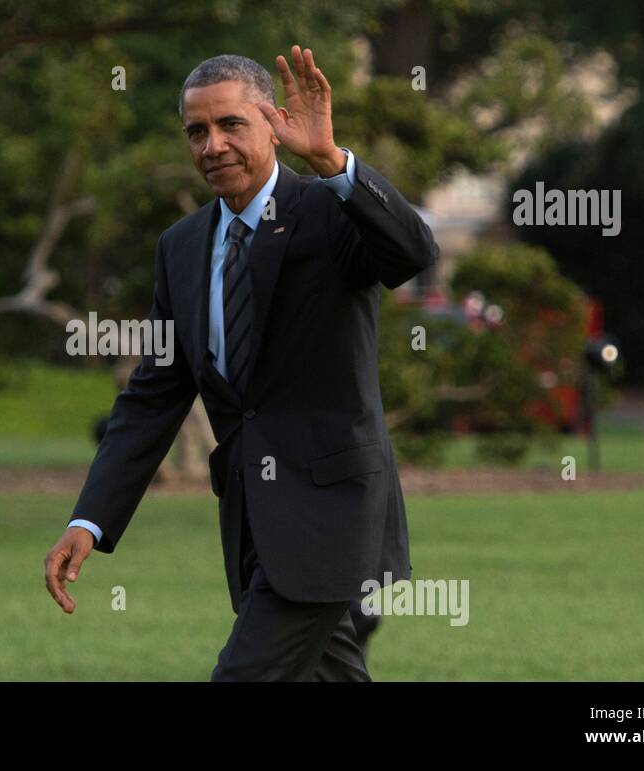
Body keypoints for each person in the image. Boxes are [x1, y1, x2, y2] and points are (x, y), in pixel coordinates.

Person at [44, 45, 438, 681]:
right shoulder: (181, 247)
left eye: (231, 125)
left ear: (274, 123)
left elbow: (413, 251)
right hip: (255, 522)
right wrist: (89, 520)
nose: (212, 145)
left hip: (332, 520)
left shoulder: (329, 210)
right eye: (196, 131)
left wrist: (332, 162)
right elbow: (154, 395)